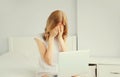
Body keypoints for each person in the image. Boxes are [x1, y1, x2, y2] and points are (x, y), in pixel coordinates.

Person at [34, 10, 68, 77]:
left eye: (62, 25)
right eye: (58, 25)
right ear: (52, 24)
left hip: (60, 71)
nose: (59, 28)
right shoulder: (39, 38)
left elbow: (66, 57)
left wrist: (60, 38)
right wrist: (51, 38)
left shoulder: (62, 37)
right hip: (46, 72)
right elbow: (48, 61)